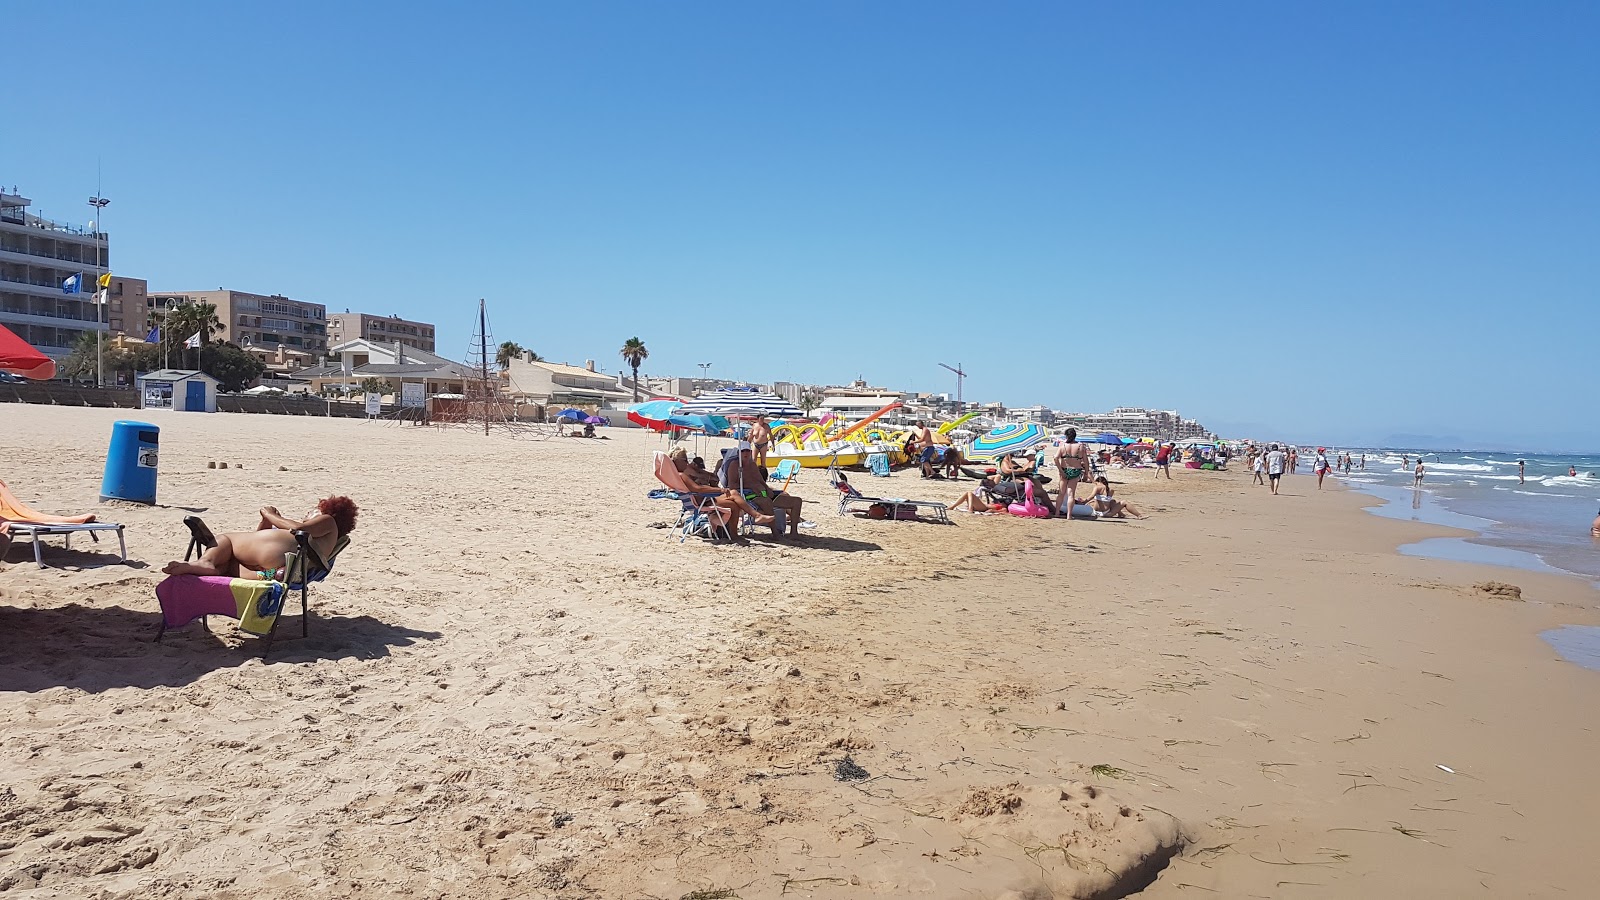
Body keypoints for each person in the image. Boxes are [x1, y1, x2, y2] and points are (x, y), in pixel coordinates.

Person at [162, 496, 358, 579]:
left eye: (312, 510)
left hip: (279, 553)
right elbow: (258, 537)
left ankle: (205, 561)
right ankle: (209, 567)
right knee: (228, 566)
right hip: (278, 565)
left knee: (227, 539)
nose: (308, 513)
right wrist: (267, 521)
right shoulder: (325, 540)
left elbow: (300, 528)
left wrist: (270, 514)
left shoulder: (328, 522)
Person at [672, 449, 775, 527]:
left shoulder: (676, 475)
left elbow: (697, 487)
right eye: (685, 460)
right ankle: (754, 518)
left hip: (700, 499)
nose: (687, 463)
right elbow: (697, 489)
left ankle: (753, 518)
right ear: (677, 461)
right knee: (734, 499)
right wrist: (720, 490)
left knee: (733, 495)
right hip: (702, 501)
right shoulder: (682, 475)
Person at [1052, 427, 1091, 517]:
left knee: (1061, 493)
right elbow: (1086, 461)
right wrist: (1086, 473)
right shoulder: (1081, 446)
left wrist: (1060, 471)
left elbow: (1055, 458)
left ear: (1066, 435)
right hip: (1075, 470)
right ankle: (1069, 515)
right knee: (1071, 493)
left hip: (1064, 469)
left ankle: (1057, 513)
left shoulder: (1062, 445)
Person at [1081, 476, 1146, 519]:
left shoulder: (1097, 487)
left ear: (1098, 482)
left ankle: (1121, 514)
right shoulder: (1110, 490)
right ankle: (1139, 515)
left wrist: (1084, 501)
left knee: (1113, 501)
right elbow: (1106, 502)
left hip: (1095, 512)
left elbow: (1092, 496)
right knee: (1122, 502)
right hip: (1106, 513)